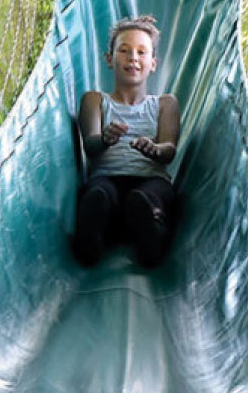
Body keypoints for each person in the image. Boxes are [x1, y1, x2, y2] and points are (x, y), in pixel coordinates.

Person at [71, 15, 180, 268]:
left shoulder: (165, 104)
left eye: (142, 52)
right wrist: (105, 139)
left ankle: (152, 236)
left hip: (149, 180)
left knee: (149, 196)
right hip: (108, 178)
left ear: (153, 63)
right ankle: (91, 241)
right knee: (97, 193)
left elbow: (170, 149)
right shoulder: (95, 100)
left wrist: (154, 149)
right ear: (109, 59)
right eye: (124, 50)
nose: (133, 58)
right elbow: (90, 145)